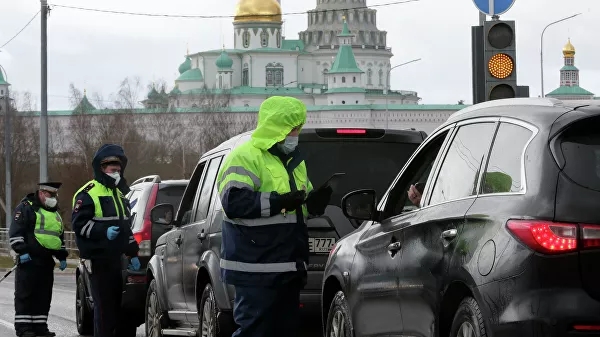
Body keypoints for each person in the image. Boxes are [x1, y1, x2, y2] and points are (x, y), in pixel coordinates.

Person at [216, 96, 333, 337]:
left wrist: (314, 204)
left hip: (288, 266)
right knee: (255, 331)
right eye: (293, 128)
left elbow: (298, 205)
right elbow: (235, 202)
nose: (296, 134)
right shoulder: (245, 156)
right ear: (277, 127)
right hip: (255, 267)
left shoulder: (294, 161)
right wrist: (280, 201)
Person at [71, 144, 140, 337]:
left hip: (116, 260)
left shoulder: (119, 194)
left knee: (116, 309)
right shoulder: (88, 193)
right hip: (98, 260)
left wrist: (133, 252)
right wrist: (103, 231)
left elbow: (126, 227)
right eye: (112, 170)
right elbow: (79, 225)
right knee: (104, 310)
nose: (116, 173)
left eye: (118, 170)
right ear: (102, 169)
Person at [8, 182, 69, 337]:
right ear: (41, 193)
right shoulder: (26, 208)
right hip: (29, 260)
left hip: (46, 261)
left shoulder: (55, 213)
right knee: (26, 295)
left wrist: (62, 256)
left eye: (55, 195)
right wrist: (21, 251)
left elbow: (58, 236)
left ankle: (40, 326)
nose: (53, 198)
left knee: (43, 295)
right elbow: (16, 231)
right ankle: (24, 328)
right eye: (50, 195)